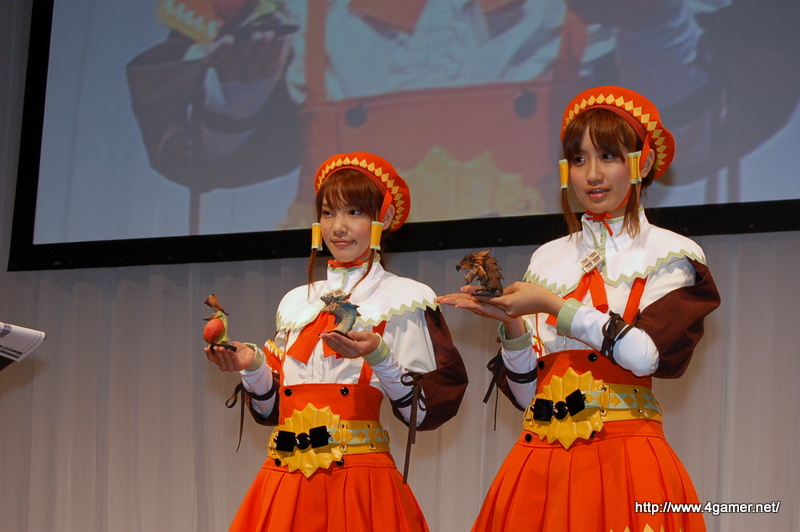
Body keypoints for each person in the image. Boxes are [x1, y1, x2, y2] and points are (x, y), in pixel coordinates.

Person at [438, 86, 720, 531]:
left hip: (626, 460)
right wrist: (512, 327)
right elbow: (528, 397)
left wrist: (553, 305)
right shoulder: (547, 258)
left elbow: (646, 356)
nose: (592, 174)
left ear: (643, 162)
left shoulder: (671, 254)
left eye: (608, 156)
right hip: (541, 462)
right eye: (579, 159)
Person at [205, 152, 468, 531]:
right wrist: (252, 365)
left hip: (359, 485)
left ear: (384, 218)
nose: (338, 227)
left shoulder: (406, 300)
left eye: (354, 212)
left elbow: (424, 412)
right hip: (286, 482)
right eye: (328, 213)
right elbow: (273, 409)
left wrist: (379, 356)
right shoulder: (296, 302)